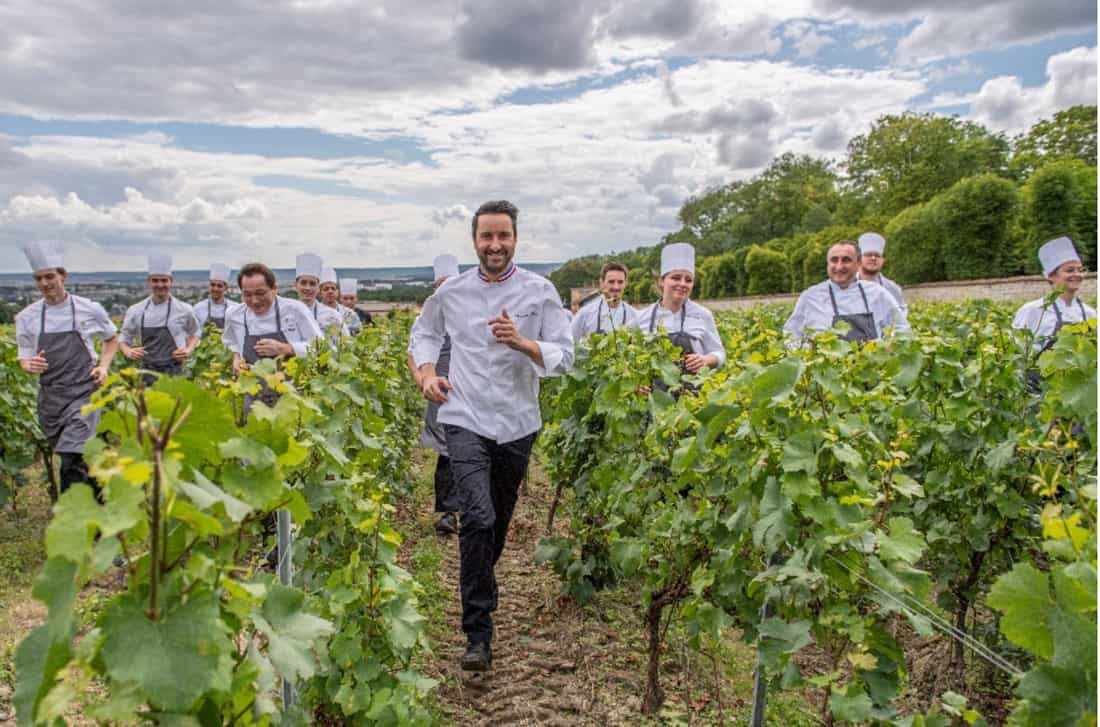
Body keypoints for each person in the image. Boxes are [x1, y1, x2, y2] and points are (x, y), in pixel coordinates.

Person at [410, 200, 573, 672]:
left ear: (515, 239)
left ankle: (481, 577)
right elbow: (423, 336)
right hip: (463, 417)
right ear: (475, 241)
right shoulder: (452, 293)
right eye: (487, 237)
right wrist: (425, 375)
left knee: (496, 522)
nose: (495, 245)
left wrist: (523, 342)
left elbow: (566, 354)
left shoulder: (540, 291)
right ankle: (478, 632)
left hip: (519, 423)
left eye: (503, 236)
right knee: (476, 519)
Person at [16, 241, 119, 497]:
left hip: (85, 393)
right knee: (83, 457)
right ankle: (101, 506)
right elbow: (24, 358)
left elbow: (111, 339)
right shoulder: (26, 318)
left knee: (73, 455)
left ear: (63, 276)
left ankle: (72, 518)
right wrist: (30, 365)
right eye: (39, 278)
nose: (44, 283)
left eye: (50, 276)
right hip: (51, 399)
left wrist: (103, 367)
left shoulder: (89, 309)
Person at [407, 254, 461, 536]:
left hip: (472, 390)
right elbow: (412, 354)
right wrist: (422, 380)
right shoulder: (425, 318)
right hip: (441, 390)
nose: (444, 289)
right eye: (440, 283)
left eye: (449, 283)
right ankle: (448, 512)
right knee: (447, 450)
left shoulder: (472, 312)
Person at [222, 263, 324, 412]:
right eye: (247, 295)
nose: (254, 300)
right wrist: (236, 358)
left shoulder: (294, 310)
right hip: (254, 400)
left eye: (260, 293)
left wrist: (285, 348)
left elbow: (322, 348)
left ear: (274, 288)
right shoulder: (234, 314)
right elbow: (232, 342)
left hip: (292, 397)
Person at [784, 241, 910, 344]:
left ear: (858, 263)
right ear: (828, 264)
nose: (839, 267)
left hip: (871, 370)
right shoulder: (810, 297)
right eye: (834, 260)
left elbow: (902, 329)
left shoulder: (878, 294)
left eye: (846, 260)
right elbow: (791, 334)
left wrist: (887, 348)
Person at [637, 243, 725, 386]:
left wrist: (706, 360)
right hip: (655, 401)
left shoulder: (703, 315)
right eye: (676, 278)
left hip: (695, 399)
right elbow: (632, 362)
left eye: (688, 280)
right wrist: (638, 384)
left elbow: (719, 353)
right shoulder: (641, 318)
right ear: (662, 281)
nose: (682, 284)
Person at [119, 253, 200, 378]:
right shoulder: (136, 310)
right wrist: (128, 351)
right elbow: (124, 338)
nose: (160, 285)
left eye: (164, 281)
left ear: (171, 281)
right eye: (155, 281)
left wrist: (188, 350)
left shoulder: (184, 309)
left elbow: (195, 332)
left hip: (176, 372)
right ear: (149, 282)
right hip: (146, 372)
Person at [1013, 236, 1096, 354]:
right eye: (1070, 270)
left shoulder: (1090, 313)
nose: (1077, 274)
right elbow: (1019, 357)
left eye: (1080, 270)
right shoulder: (1032, 311)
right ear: (1051, 275)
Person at [571, 262, 640, 339]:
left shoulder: (634, 316)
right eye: (611, 282)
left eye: (620, 282)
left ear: (625, 284)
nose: (616, 287)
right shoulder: (585, 314)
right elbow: (569, 343)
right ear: (602, 283)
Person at [294, 254, 348, 340]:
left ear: (318, 288)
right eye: (303, 283)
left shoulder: (333, 316)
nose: (308, 288)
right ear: (295, 285)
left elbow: (346, 343)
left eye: (312, 284)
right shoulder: (286, 312)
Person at [856, 233, 906, 310]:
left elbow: (902, 316)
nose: (873, 258)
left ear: (883, 261)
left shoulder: (893, 288)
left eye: (877, 255)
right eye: (868, 255)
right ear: (859, 259)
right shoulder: (847, 285)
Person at [194, 262, 238, 336]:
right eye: (212, 285)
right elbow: (194, 334)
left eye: (219, 286)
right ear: (209, 286)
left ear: (226, 288)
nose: (215, 288)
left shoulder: (234, 308)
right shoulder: (198, 308)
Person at [320, 267, 362, 335]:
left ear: (338, 292)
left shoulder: (349, 313)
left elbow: (358, 335)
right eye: (326, 289)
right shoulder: (314, 313)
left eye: (333, 288)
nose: (330, 291)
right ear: (320, 293)